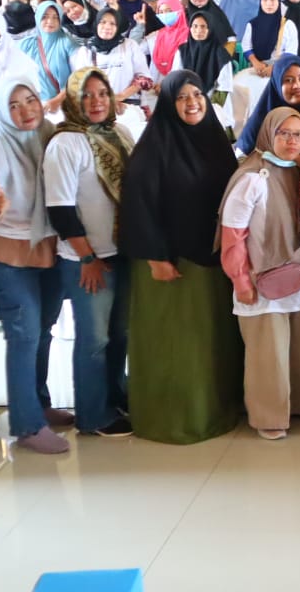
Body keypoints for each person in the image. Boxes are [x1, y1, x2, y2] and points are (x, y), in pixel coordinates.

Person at [119, 71, 243, 444]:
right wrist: (157, 257)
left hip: (211, 261)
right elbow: (139, 205)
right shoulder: (155, 147)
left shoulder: (213, 140)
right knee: (177, 346)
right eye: (182, 97)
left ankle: (217, 411)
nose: (192, 103)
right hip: (170, 264)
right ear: (169, 104)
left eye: (198, 95)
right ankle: (174, 420)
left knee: (211, 343)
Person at [0, 76, 70, 454]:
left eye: (30, 100)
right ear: (2, 112)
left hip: (49, 246)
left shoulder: (52, 137)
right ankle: (27, 426)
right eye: (14, 105)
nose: (25, 110)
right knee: (24, 333)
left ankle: (39, 403)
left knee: (43, 329)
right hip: (8, 253)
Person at [43, 69, 133, 439]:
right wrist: (87, 258)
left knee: (120, 334)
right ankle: (93, 415)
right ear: (73, 100)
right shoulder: (64, 145)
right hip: (88, 258)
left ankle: (115, 396)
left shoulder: (120, 133)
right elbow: (60, 210)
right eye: (87, 95)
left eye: (102, 93)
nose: (96, 101)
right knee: (94, 339)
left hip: (122, 252)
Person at [219, 107, 300, 441]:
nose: (291, 141)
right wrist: (240, 280)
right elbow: (233, 236)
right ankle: (268, 416)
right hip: (260, 280)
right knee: (267, 353)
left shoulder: (294, 170)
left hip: (297, 276)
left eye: (298, 134)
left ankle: (299, 405)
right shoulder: (252, 175)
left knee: (298, 348)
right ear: (268, 134)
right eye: (283, 133)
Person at [237, 54, 300, 155]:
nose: (297, 85)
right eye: (288, 80)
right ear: (277, 85)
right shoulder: (262, 119)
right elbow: (242, 156)